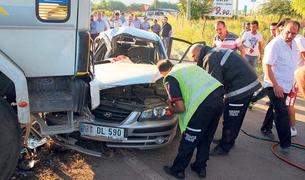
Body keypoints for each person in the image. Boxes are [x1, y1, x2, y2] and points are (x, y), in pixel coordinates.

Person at [157, 60, 224, 179]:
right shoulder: (188, 67)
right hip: (219, 100)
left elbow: (180, 108)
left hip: (203, 107)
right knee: (206, 136)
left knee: (189, 139)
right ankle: (200, 166)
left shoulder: (170, 77)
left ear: (163, 73)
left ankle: (178, 170)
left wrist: (169, 109)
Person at [190, 44, 261, 155]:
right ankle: (227, 140)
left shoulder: (210, 57)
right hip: (246, 83)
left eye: (194, 57)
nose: (194, 60)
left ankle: (224, 147)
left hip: (241, 88)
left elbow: (214, 84)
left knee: (232, 119)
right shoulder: (214, 52)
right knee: (233, 118)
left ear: (198, 52)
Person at [262, 20, 300, 153]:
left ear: (297, 33)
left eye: (293, 33)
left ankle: (265, 127)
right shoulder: (275, 44)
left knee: (275, 106)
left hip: (287, 84)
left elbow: (294, 64)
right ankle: (285, 144)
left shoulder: (295, 44)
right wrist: (275, 85)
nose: (289, 35)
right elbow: (266, 66)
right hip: (274, 84)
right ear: (283, 29)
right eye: (287, 32)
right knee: (282, 113)